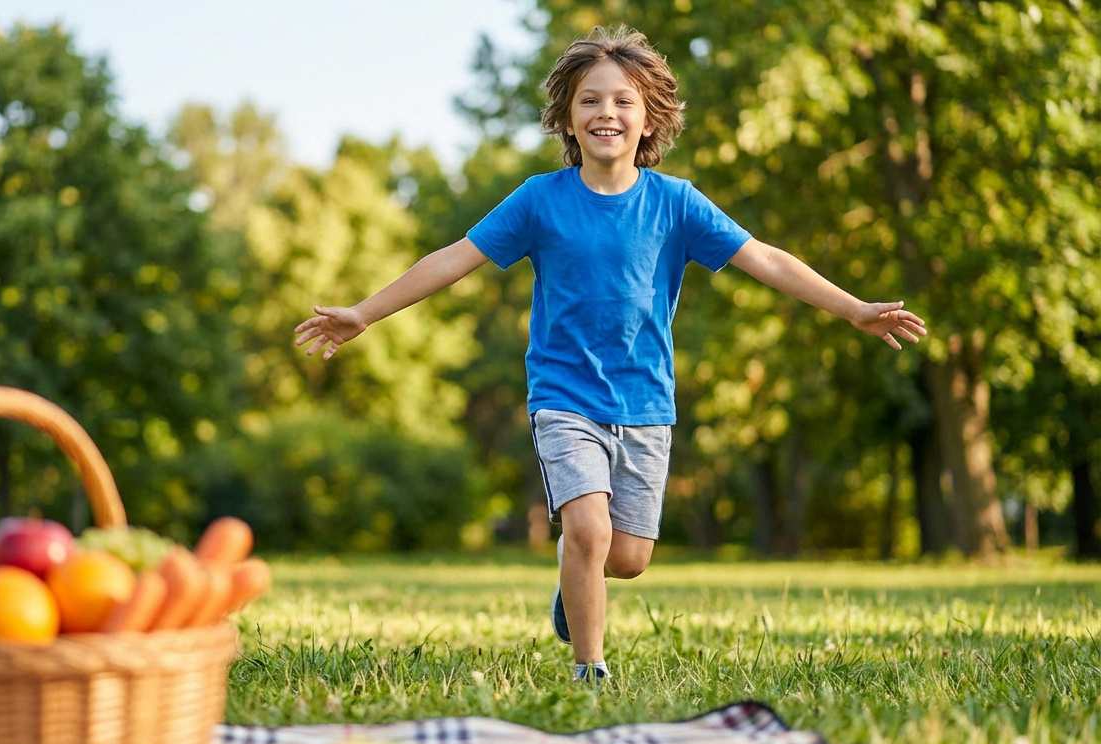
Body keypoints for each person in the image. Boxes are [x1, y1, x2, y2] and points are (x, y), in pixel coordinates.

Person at [294, 25, 926, 683]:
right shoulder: (540, 200)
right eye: (590, 100)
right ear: (568, 116)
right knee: (591, 532)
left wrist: (852, 308)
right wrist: (364, 312)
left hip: (645, 402)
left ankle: (573, 576)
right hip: (564, 397)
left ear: (649, 117)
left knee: (626, 558)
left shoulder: (675, 204)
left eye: (624, 101)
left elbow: (764, 258)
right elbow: (454, 259)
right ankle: (589, 669)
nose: (607, 113)